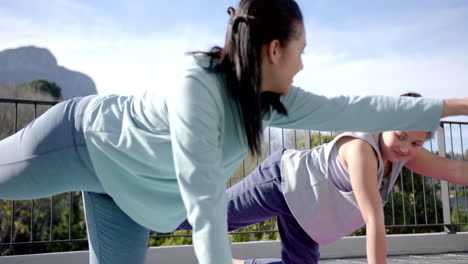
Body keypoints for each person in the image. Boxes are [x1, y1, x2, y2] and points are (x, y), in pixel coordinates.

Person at [0, 0, 467, 263]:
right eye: (301, 51)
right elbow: (205, 207)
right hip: (84, 141)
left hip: (128, 197)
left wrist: (454, 104)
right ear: (274, 49)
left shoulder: (265, 100)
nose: (304, 63)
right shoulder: (196, 88)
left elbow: (350, 107)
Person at [177, 95, 468, 264]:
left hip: (308, 213)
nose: (405, 148)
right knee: (207, 216)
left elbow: (455, 172)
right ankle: (142, 213)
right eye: (401, 135)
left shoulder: (402, 153)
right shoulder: (362, 151)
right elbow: (374, 220)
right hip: (281, 183)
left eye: (416, 144)